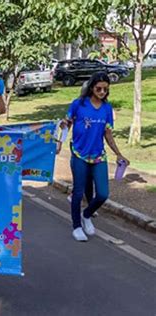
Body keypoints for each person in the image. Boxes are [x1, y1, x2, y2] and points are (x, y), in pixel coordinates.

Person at [60, 72, 129, 242]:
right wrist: (59, 142)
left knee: (103, 194)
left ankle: (86, 214)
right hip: (79, 154)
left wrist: (119, 154)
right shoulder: (78, 104)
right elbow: (66, 124)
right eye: (99, 88)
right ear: (91, 87)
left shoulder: (107, 108)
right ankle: (76, 226)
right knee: (77, 193)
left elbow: (108, 133)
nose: (102, 92)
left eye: (105, 89)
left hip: (98, 156)